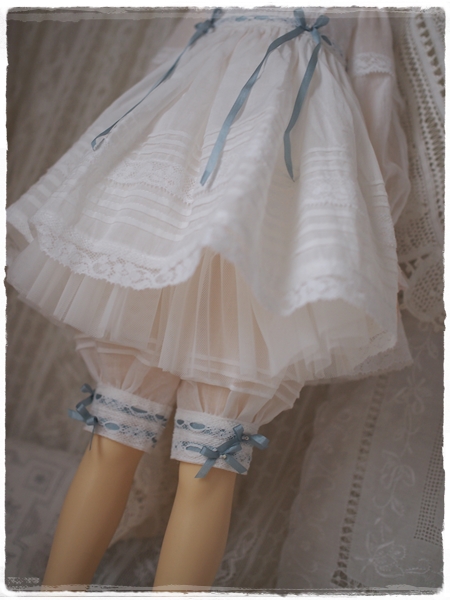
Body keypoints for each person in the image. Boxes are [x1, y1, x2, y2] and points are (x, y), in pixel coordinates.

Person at [6, 7, 411, 591]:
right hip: (183, 199)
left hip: (250, 221)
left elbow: (372, 108)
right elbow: (372, 114)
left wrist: (367, 244)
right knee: (150, 448)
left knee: (198, 459)